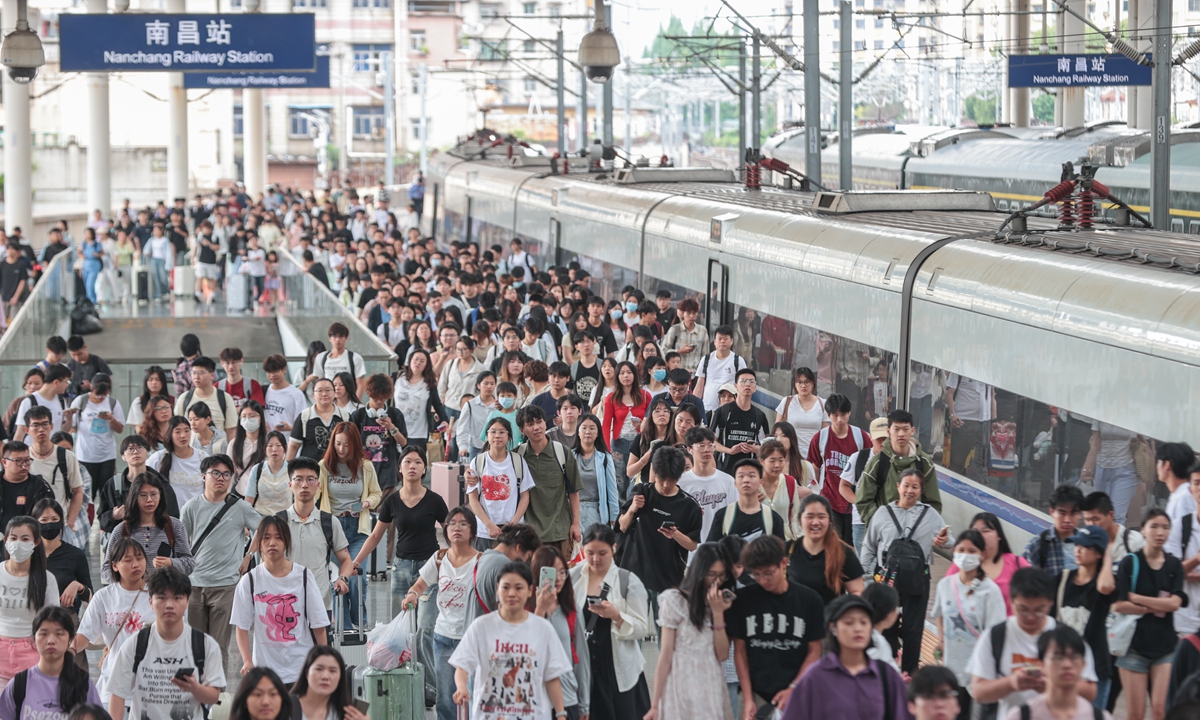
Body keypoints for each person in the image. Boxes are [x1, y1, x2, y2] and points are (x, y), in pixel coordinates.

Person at [967, 568, 1099, 720]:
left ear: (1050, 604)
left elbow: (1090, 691)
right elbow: (978, 692)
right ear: (1011, 601)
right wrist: (1011, 683)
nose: (1030, 617)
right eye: (1022, 609)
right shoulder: (995, 636)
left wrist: (1052, 686)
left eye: (1039, 610)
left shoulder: (1067, 638)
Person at [449, 561, 570, 720]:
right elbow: (462, 666)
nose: (511, 593)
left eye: (519, 588)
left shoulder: (543, 629)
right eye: (505, 587)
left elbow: (552, 676)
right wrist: (461, 687)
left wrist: (561, 714)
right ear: (497, 589)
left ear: (529, 591)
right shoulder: (481, 627)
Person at [106, 566, 225, 720]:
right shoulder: (135, 645)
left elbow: (214, 696)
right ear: (150, 601)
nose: (169, 604)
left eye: (177, 598)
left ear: (187, 601)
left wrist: (195, 688)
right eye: (162, 598)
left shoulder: (205, 645)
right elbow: (117, 694)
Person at [861, 468, 950, 674]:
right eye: (906, 485)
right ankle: (888, 667)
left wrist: (945, 541)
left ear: (921, 490)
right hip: (886, 579)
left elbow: (949, 540)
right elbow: (869, 546)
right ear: (898, 487)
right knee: (885, 625)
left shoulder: (930, 515)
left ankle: (909, 672)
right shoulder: (882, 513)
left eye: (915, 487)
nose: (910, 490)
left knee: (914, 628)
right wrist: (864, 578)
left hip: (918, 580)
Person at [726, 536, 824, 720]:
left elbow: (815, 650)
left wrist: (793, 688)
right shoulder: (743, 600)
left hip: (798, 691)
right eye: (756, 574)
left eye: (768, 573)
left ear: (784, 563)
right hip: (756, 693)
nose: (763, 580)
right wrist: (748, 699)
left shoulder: (809, 600)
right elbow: (740, 652)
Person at [180, 455, 261, 673]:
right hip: (195, 585)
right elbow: (181, 544)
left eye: (227, 475)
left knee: (218, 646)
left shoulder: (240, 507)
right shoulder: (190, 507)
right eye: (215, 473)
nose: (221, 478)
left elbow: (264, 529)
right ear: (203, 477)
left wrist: (249, 555)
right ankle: (197, 696)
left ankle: (217, 699)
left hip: (225, 586)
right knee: (196, 646)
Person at [399, 506, 480, 720]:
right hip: (443, 637)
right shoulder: (439, 557)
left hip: (470, 638)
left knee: (472, 695)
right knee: (445, 699)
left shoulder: (481, 561)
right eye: (452, 523)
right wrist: (412, 595)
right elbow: (419, 585)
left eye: (463, 524)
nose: (457, 528)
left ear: (472, 531)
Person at [782, 593, 911, 720]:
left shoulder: (886, 675)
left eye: (864, 622)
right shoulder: (815, 677)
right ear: (833, 627)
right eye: (849, 622)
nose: (858, 628)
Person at [232, 517, 329, 684]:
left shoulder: (304, 577)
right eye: (266, 538)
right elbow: (241, 628)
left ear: (287, 542)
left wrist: (323, 660)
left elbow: (318, 625)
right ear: (259, 543)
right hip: (265, 673)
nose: (272, 543)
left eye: (278, 537)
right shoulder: (249, 581)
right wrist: (247, 661)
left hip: (300, 672)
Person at [645, 542, 735, 720]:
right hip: (681, 679)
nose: (716, 581)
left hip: (710, 679)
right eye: (711, 575)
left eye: (722, 575)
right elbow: (665, 655)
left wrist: (718, 613)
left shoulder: (723, 601)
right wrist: (655, 705)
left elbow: (723, 654)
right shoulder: (674, 600)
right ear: (699, 572)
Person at [570, 524, 651, 720]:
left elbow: (642, 627)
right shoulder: (573, 578)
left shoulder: (628, 581)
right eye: (590, 553)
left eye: (602, 553)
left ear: (613, 548)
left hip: (619, 669)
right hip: (585, 667)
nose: (596, 559)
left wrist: (616, 615)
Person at [1115, 508, 1186, 720]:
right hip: (1133, 647)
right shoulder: (1130, 562)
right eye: (1154, 526)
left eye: (1165, 527)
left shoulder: (1174, 565)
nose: (1160, 532)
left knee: (1160, 710)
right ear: (1143, 531)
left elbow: (1174, 603)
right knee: (1135, 714)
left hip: (1166, 647)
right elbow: (1119, 604)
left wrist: (1137, 599)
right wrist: (1157, 606)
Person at [617, 447, 702, 624]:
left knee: (666, 634)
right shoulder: (641, 492)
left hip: (668, 578)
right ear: (655, 471)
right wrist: (632, 509)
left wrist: (676, 534)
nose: (665, 485)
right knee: (631, 632)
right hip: (634, 573)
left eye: (671, 480)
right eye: (662, 479)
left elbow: (693, 545)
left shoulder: (689, 506)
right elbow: (622, 527)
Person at [316, 423, 380, 629]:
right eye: (337, 444)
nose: (341, 449)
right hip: (334, 529)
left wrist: (366, 503)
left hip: (358, 529)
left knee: (356, 579)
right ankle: (343, 629)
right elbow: (315, 494)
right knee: (338, 580)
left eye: (346, 445)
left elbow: (376, 493)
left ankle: (358, 623)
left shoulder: (365, 466)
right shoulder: (324, 466)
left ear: (354, 444)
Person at [74, 538, 152, 705]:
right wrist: (65, 653)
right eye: (128, 560)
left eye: (139, 558)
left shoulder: (157, 595)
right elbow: (84, 636)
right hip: (113, 681)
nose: (136, 564)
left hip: (149, 684)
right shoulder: (104, 597)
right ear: (115, 565)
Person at [931, 528, 1006, 688]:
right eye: (961, 550)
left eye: (972, 551)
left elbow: (997, 631)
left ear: (982, 555)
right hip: (952, 670)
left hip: (980, 673)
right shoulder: (945, 585)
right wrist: (941, 640)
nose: (965, 555)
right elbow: (939, 614)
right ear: (954, 550)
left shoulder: (990, 591)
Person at [0, 606, 101, 720]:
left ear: (71, 639)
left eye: (59, 634)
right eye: (44, 634)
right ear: (33, 639)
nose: (51, 641)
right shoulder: (19, 684)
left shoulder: (83, 682)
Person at [1056, 524, 1118, 709]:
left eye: (1084, 546)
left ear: (1099, 553)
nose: (1078, 550)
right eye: (1076, 545)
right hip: (1063, 666)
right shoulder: (1062, 579)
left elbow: (1106, 588)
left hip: (1095, 670)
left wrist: (1108, 559)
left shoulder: (1104, 585)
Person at [0, 516, 61, 689]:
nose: (18, 543)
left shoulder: (46, 579)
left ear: (36, 542)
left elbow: (53, 622)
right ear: (5, 541)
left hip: (32, 654)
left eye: (25, 539)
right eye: (13, 538)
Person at [855, 409, 942, 528]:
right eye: (896, 429)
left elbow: (933, 504)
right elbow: (863, 501)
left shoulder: (924, 463)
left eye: (905, 429)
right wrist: (881, 524)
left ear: (912, 431)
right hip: (884, 535)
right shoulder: (878, 462)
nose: (901, 434)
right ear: (888, 431)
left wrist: (922, 529)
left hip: (915, 536)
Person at [1005, 625, 1114, 720]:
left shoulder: (1099, 717)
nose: (1067, 664)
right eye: (1058, 657)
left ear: (1083, 664)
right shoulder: (1021, 716)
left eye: (1074, 657)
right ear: (1041, 665)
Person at [101, 474, 193, 584]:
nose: (149, 500)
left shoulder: (174, 526)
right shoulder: (121, 530)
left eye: (154, 494)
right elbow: (106, 568)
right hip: (132, 596)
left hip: (165, 594)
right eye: (143, 495)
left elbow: (189, 564)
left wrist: (171, 563)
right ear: (134, 497)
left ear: (160, 495)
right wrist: (126, 583)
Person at [515, 406, 582, 558]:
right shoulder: (517, 456)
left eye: (539, 422)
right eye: (530, 424)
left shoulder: (563, 453)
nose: (536, 427)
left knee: (560, 578)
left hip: (560, 532)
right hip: (529, 535)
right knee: (532, 579)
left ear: (546, 423)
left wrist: (575, 524)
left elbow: (574, 491)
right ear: (522, 430)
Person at [32, 500, 91, 668]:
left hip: (66, 624)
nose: (49, 524)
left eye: (54, 519)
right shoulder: (28, 555)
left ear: (62, 521)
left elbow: (90, 597)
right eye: (43, 520)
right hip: (33, 623)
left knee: (73, 679)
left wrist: (78, 587)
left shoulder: (75, 555)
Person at [807, 394, 869, 543]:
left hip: (854, 502)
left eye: (843, 414)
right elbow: (814, 468)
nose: (839, 419)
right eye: (835, 415)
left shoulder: (861, 437)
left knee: (852, 545)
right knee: (832, 545)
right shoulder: (820, 438)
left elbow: (870, 466)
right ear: (828, 415)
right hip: (829, 500)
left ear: (849, 413)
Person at [464, 417, 531, 550]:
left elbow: (525, 496)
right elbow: (473, 498)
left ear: (509, 436)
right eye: (493, 431)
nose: (497, 436)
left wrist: (513, 524)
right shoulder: (478, 462)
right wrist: (489, 525)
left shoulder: (518, 461)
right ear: (487, 435)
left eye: (502, 432)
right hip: (484, 532)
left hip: (513, 532)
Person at [787, 494, 865, 604]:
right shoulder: (788, 550)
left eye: (821, 516)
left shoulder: (843, 553)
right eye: (810, 516)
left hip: (830, 619)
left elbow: (857, 592)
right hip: (796, 619)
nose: (815, 522)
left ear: (830, 521)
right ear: (800, 520)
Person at [948, 512, 1030, 615]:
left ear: (999, 536)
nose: (980, 536)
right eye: (975, 532)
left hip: (1007, 629)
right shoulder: (961, 564)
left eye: (986, 531)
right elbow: (947, 596)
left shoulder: (1017, 563)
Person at [21, 409, 84, 544]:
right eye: (36, 425)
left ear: (52, 426)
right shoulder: (23, 459)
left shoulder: (66, 456)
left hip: (60, 527)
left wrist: (70, 523)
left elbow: (78, 491)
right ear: (27, 429)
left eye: (45, 424)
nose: (41, 429)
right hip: (30, 528)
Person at [461, 523, 542, 625]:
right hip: (490, 636)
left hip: (473, 634)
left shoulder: (482, 558)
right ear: (518, 548)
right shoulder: (504, 565)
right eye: (528, 556)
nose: (525, 561)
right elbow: (509, 613)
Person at [96, 437, 177, 536]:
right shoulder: (113, 484)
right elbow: (102, 521)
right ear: (123, 456)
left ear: (147, 452)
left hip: (155, 540)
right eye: (130, 449)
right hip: (124, 544)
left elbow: (172, 514)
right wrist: (113, 516)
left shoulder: (160, 482)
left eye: (140, 448)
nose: (135, 452)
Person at [67, 375, 123, 498]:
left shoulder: (113, 403)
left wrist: (111, 419)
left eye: (104, 395)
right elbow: (71, 426)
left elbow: (120, 429)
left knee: (107, 494)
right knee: (86, 493)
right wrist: (69, 417)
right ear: (91, 388)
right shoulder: (81, 401)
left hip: (107, 454)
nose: (101, 398)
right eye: (98, 394)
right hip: (85, 454)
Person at [705, 458, 785, 543]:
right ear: (735, 483)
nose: (746, 480)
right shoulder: (722, 515)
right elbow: (711, 551)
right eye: (741, 476)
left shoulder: (773, 518)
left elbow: (780, 553)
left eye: (751, 476)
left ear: (760, 482)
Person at [602, 362, 651, 493]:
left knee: (635, 481)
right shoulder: (611, 398)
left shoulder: (645, 396)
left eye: (629, 372)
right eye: (622, 373)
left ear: (634, 375)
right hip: (619, 444)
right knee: (619, 482)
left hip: (639, 443)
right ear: (617, 376)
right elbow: (606, 425)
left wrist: (642, 426)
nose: (626, 376)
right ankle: (620, 512)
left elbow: (652, 422)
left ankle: (632, 510)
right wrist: (607, 449)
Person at [707, 369, 768, 474]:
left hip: (749, 471)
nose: (747, 384)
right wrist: (729, 450)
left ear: (755, 388)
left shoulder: (760, 416)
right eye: (743, 381)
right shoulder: (723, 412)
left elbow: (766, 448)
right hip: (724, 470)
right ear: (736, 386)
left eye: (751, 381)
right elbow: (711, 442)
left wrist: (752, 448)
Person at [291, 646, 369, 720]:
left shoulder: (345, 713)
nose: (325, 676)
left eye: (332, 671)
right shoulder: (286, 707)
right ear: (307, 673)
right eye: (319, 669)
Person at [392, 349, 447, 455]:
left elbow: (437, 404)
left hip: (418, 432)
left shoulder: (428, 383)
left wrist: (444, 420)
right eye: (415, 359)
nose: (418, 363)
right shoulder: (397, 378)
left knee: (414, 463)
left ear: (427, 364)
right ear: (410, 360)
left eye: (422, 361)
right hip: (396, 429)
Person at [1166, 466, 1200, 636]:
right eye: (1197, 483)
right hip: (1184, 619)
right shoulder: (1180, 526)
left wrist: (1192, 575)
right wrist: (1197, 559)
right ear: (1190, 489)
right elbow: (1171, 572)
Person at [571, 414, 618, 531]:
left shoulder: (605, 457)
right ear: (578, 431)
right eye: (584, 428)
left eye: (592, 428)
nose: (588, 431)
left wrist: (614, 516)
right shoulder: (569, 456)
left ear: (597, 433)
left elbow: (612, 490)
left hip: (596, 511)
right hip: (572, 511)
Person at [173, 357, 237, 443]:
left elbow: (231, 431)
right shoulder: (184, 398)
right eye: (193, 373)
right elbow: (176, 427)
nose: (196, 377)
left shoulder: (225, 398)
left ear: (212, 375)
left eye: (201, 373)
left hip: (217, 452)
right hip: (192, 452)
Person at [147, 416, 208, 507]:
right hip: (169, 514)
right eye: (178, 432)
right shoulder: (159, 458)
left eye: (187, 431)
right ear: (170, 434)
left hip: (197, 513)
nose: (183, 435)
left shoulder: (202, 457)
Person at [1024, 485, 1085, 574]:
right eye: (1062, 513)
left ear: (1080, 515)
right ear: (1052, 512)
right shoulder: (1037, 546)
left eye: (1073, 513)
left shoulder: (1088, 543)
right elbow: (1024, 583)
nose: (1067, 520)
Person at [286, 379, 350, 461]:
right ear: (313, 395)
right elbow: (294, 446)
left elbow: (353, 444)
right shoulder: (304, 417)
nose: (324, 394)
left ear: (334, 393)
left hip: (338, 469)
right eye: (319, 391)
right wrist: (286, 470)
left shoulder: (345, 417)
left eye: (328, 390)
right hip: (310, 470)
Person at [773, 367, 828, 451]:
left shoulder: (822, 404)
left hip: (815, 455)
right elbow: (776, 431)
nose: (803, 385)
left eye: (807, 382)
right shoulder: (787, 402)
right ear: (795, 384)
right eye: (799, 382)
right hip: (791, 454)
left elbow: (825, 434)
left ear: (813, 383)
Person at [693, 326, 745, 413]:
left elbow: (742, 386)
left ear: (731, 341)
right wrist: (694, 407)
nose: (722, 341)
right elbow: (699, 385)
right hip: (708, 407)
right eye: (720, 338)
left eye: (726, 339)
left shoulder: (738, 361)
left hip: (730, 408)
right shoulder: (706, 359)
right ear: (715, 342)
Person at [625, 397, 673, 490]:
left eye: (666, 411)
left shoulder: (675, 439)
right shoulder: (641, 439)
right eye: (657, 411)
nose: (662, 413)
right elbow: (629, 472)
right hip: (646, 488)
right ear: (651, 415)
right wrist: (645, 458)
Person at [14, 366, 72, 441]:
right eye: (66, 381)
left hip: (53, 449)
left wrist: (69, 419)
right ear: (56, 382)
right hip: (31, 450)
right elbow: (20, 431)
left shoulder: (61, 401)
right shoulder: (29, 401)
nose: (67, 385)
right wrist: (15, 451)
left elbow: (63, 431)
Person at [455, 372, 496, 462]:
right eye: (486, 383)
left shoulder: (499, 405)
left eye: (492, 384)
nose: (489, 386)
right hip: (475, 448)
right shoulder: (470, 405)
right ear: (478, 385)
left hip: (495, 448)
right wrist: (463, 447)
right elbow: (462, 428)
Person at [659, 298, 707, 374]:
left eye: (694, 313)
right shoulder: (674, 329)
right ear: (682, 313)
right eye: (688, 313)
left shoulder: (702, 330)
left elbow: (705, 355)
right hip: (677, 373)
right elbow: (663, 351)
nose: (691, 316)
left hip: (695, 374)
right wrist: (679, 351)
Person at [261, 355, 306, 434]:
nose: (271, 375)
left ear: (284, 369)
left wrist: (290, 428)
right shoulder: (264, 391)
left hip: (287, 442)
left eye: (275, 371)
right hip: (267, 443)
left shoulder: (296, 394)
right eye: (268, 372)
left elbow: (303, 423)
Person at [1160, 442, 1197, 526]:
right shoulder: (1179, 494)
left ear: (1167, 465)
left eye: (1158, 462)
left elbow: (1187, 534)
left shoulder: (1185, 496)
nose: (1157, 466)